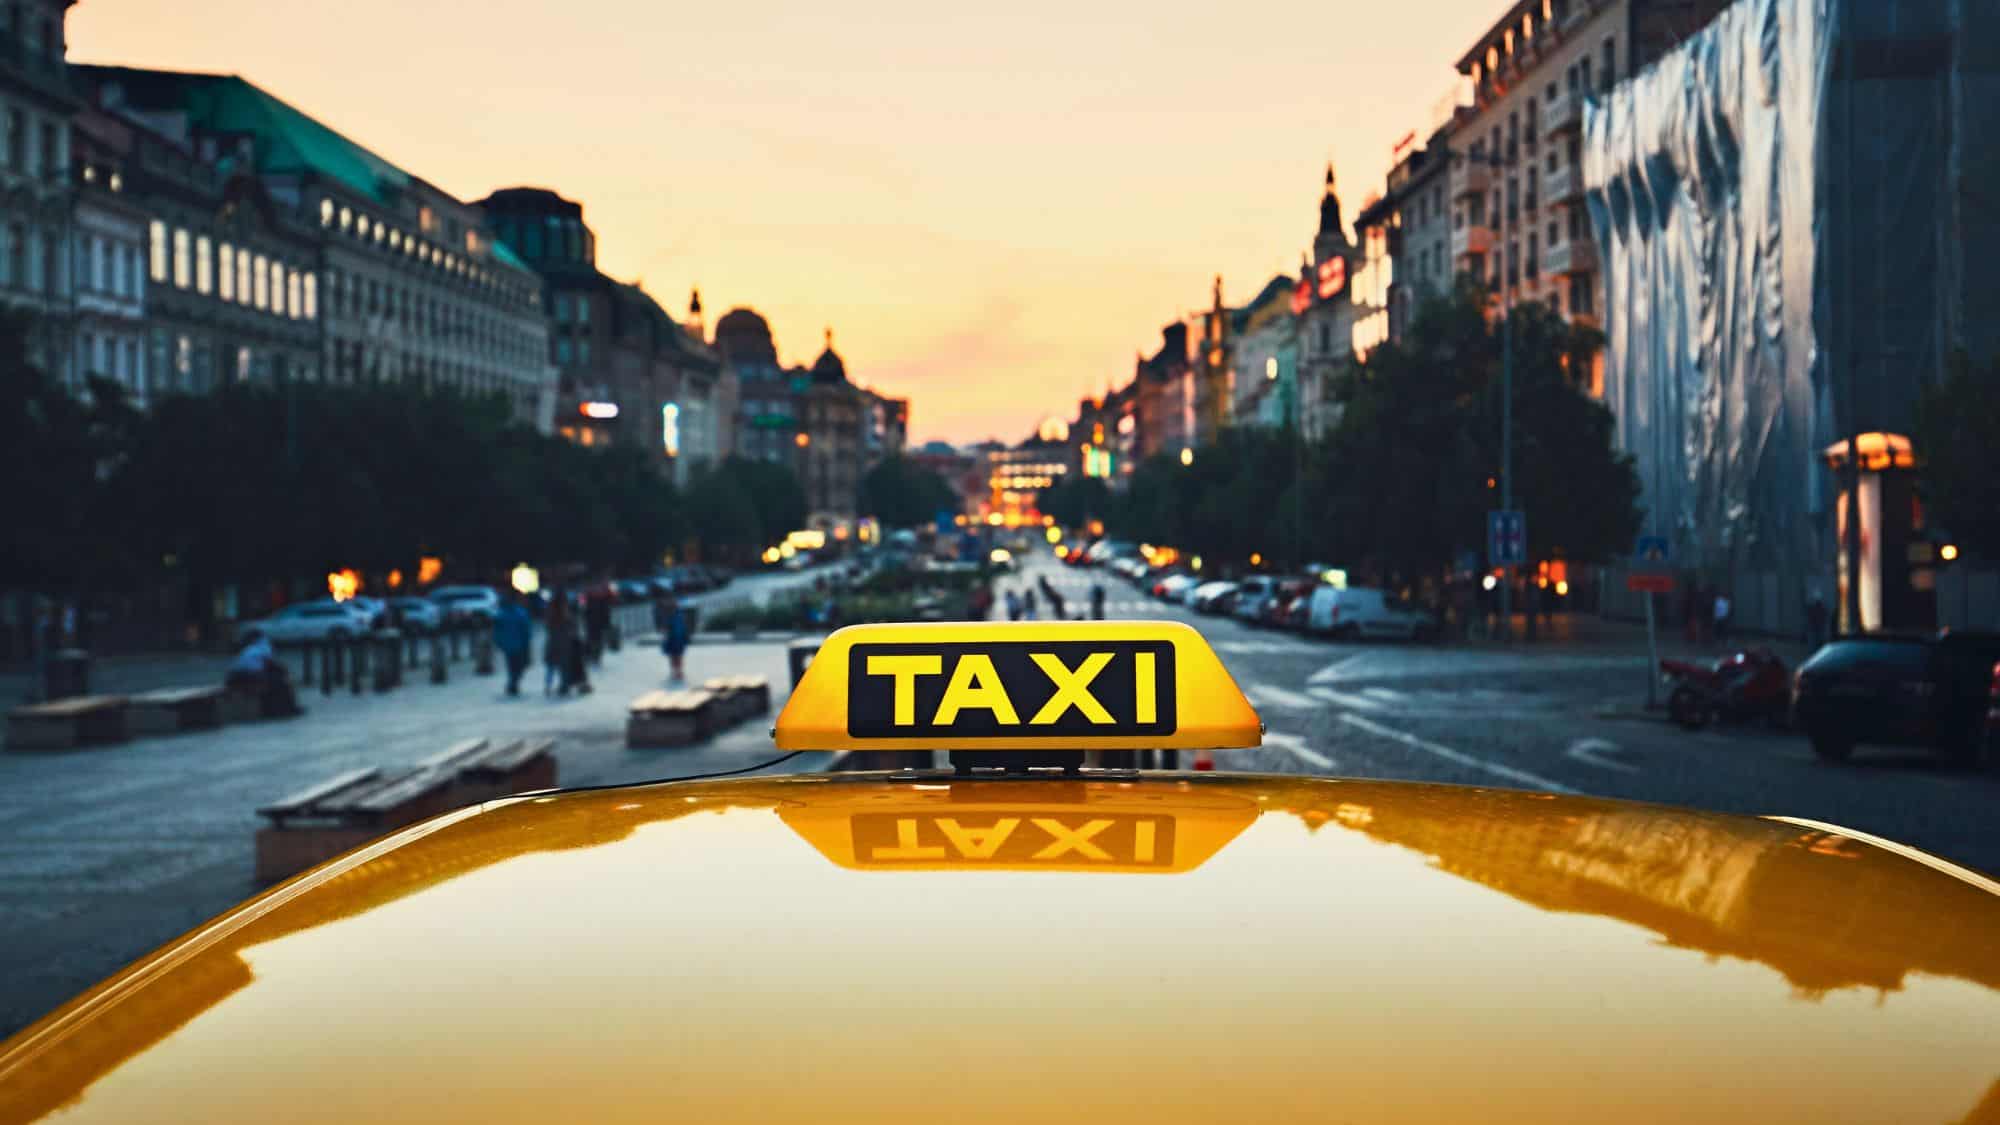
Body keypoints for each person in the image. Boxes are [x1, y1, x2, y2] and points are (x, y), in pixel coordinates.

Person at [225, 629, 300, 717]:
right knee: (279, 683)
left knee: (273, 681)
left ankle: (278, 709)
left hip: (235, 677)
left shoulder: (248, 649)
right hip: (246, 676)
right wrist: (284, 672)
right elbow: (269, 663)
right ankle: (284, 709)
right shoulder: (262, 646)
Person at [493, 596, 533, 697]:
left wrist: (498, 642)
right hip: (518, 644)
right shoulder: (519, 613)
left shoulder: (502, 614)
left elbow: (496, 631)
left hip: (509, 645)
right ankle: (513, 684)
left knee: (513, 666)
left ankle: (512, 683)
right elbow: (526, 630)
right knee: (518, 666)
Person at [656, 593, 690, 684]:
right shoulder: (667, 613)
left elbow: (682, 625)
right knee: (673, 655)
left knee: (677, 655)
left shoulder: (676, 613)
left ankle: (678, 672)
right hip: (673, 637)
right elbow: (664, 627)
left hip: (677, 637)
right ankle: (676, 672)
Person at [544, 592, 573, 697]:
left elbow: (547, 626)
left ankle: (549, 686)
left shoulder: (551, 612)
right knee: (562, 666)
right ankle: (563, 685)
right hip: (562, 643)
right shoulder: (564, 613)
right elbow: (569, 628)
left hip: (554, 643)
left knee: (551, 667)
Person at [584, 585, 611, 666]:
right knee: (594, 641)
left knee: (595, 641)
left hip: (595, 624)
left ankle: (595, 657)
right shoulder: (594, 599)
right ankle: (594, 657)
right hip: (594, 623)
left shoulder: (600, 599)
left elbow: (606, 612)